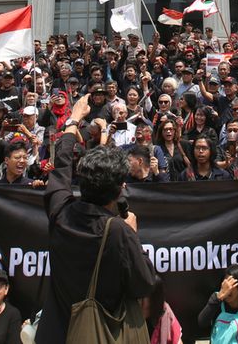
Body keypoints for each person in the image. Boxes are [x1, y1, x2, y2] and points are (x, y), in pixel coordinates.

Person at [35, 95, 156, 342]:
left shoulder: (60, 213)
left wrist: (72, 121)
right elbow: (144, 283)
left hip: (56, 333)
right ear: (119, 188)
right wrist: (133, 235)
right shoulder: (119, 231)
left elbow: (61, 168)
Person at [197, 264, 238, 343]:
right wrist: (219, 297)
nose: (229, 289)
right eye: (227, 284)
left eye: (233, 285)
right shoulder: (216, 299)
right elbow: (202, 322)